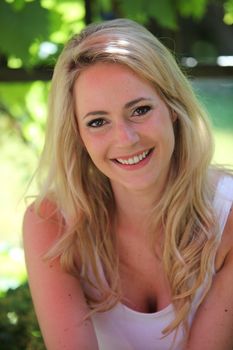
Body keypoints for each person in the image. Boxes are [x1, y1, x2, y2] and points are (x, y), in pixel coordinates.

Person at [23, 18, 233, 350]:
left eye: (140, 110)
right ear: (77, 134)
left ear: (172, 107)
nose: (126, 138)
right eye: (97, 121)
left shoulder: (228, 218)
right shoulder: (52, 223)